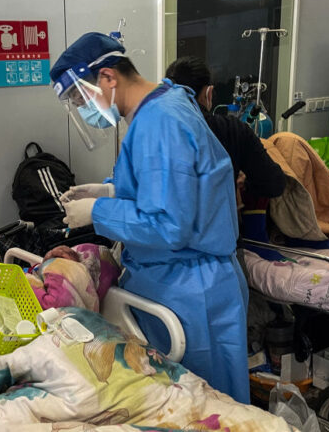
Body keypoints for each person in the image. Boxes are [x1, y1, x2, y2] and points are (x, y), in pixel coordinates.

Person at [50, 32, 249, 403]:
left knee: (206, 409)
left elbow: (168, 223)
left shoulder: (160, 121)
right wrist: (109, 191)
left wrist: (97, 211)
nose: (83, 109)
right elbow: (171, 187)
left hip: (192, 292)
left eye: (81, 98)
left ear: (108, 77)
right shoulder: (162, 104)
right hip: (179, 283)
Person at [166, 56, 285, 199]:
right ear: (209, 93)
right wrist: (244, 185)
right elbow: (274, 184)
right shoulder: (232, 130)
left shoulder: (157, 130)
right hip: (220, 218)